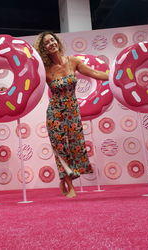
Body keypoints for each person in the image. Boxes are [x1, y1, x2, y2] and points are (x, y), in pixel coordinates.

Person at [34, 31, 109, 198]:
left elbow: (95, 74)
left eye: (52, 40)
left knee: (76, 146)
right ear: (43, 49)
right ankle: (69, 185)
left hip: (72, 111)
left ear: (57, 41)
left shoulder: (73, 61)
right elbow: (30, 84)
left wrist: (116, 77)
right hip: (55, 112)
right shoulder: (45, 69)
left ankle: (66, 178)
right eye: (46, 43)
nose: (51, 43)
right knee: (60, 148)